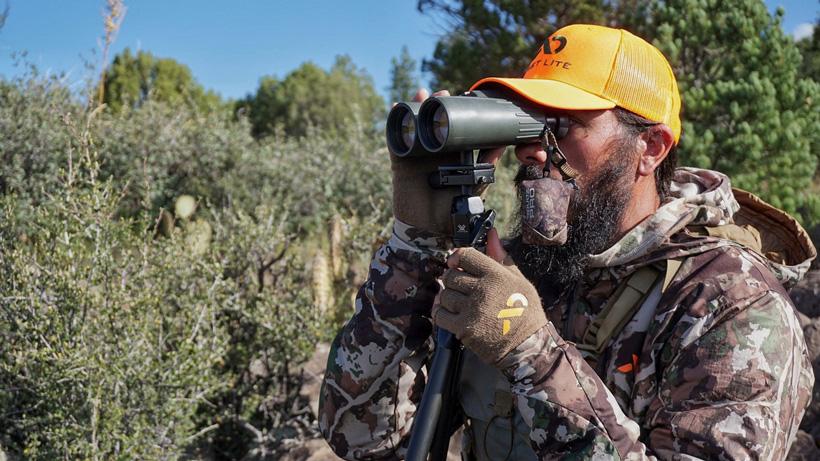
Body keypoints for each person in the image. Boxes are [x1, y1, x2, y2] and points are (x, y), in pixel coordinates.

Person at [318, 24, 816, 460]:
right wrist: (414, 245)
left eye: (562, 125)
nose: (533, 150)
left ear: (650, 148)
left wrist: (531, 352)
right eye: (527, 124)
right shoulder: (517, 268)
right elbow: (361, 439)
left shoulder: (729, 302)